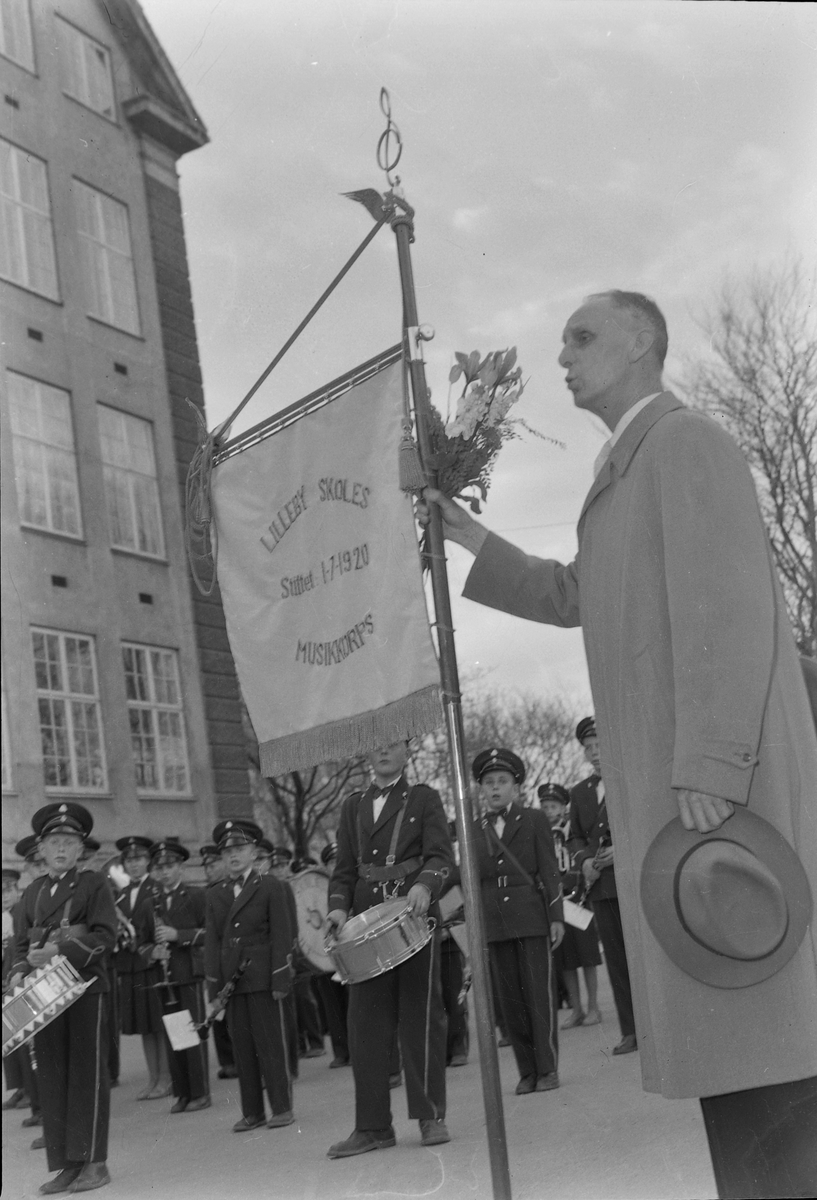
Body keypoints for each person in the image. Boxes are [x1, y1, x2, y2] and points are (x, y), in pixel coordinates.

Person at [419, 288, 817, 1199]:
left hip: (718, 793)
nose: (560, 354)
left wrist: (710, 763)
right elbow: (575, 594)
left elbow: (728, 605)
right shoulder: (626, 466)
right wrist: (468, 533)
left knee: (764, 1041)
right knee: (736, 1051)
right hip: (686, 797)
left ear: (642, 341)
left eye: (581, 336)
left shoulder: (682, 444)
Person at [325, 740, 453, 1158]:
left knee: (421, 1016)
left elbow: (440, 855)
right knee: (365, 1027)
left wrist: (424, 884)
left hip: (412, 914)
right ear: (365, 753)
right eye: (375, 745)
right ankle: (373, 1126)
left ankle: (430, 1115)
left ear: (407, 751)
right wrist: (337, 910)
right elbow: (344, 868)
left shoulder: (423, 797)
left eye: (392, 744)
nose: (382, 752)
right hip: (365, 922)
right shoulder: (352, 806)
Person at [10, 802, 116, 1194]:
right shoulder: (33, 892)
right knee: (53, 1076)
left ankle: (96, 1163)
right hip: (44, 993)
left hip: (85, 989)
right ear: (41, 848)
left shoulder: (93, 884)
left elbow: (106, 937)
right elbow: (21, 946)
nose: (60, 849)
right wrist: (20, 970)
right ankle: (67, 1163)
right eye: (53, 841)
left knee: (86, 1076)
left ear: (80, 850)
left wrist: (58, 951)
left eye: (68, 842)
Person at [472, 749, 564, 1095]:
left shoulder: (534, 819)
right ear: (481, 789)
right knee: (509, 999)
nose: (495, 789)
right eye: (489, 783)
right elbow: (472, 877)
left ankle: (548, 1068)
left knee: (538, 995)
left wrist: (556, 916)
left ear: (516, 787)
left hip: (530, 916)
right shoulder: (473, 828)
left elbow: (549, 870)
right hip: (495, 920)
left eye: (502, 782)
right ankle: (527, 1071)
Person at [204, 819, 296, 1132]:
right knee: (243, 1048)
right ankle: (252, 1112)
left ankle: (282, 1107)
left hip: (262, 976)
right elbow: (212, 943)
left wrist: (281, 977)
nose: (233, 855)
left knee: (270, 1044)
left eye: (240, 848)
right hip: (232, 981)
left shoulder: (270, 886)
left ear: (253, 851)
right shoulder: (215, 894)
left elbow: (282, 934)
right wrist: (214, 988)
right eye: (227, 850)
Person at [568, 722, 634, 1048]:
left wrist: (624, 849)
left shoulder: (629, 779)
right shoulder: (579, 792)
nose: (594, 752)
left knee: (642, 957)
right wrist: (582, 861)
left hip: (633, 881)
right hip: (602, 886)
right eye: (588, 747)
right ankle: (631, 1030)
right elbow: (575, 836)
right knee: (618, 962)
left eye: (599, 744)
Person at [143, 838, 210, 1113]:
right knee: (175, 1037)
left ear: (181, 867)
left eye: (170, 866)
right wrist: (152, 953)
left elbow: (210, 934)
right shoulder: (150, 903)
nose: (164, 872)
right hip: (165, 976)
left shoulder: (196, 896)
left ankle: (200, 1092)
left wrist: (177, 936)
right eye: (159, 868)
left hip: (189, 974)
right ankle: (182, 1093)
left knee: (192, 1035)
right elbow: (142, 942)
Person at [538, 780, 602, 1030]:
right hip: (555, 903)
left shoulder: (568, 832)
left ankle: (594, 1006)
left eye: (553, 806)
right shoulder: (540, 832)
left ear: (564, 808)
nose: (548, 811)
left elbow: (577, 858)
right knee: (565, 959)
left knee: (586, 956)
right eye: (544, 806)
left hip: (577, 898)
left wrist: (570, 882)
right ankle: (576, 1009)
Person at [112, 836, 171, 1100]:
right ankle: (153, 1078)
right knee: (143, 1025)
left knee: (158, 1023)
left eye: (138, 859)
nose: (134, 865)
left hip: (152, 965)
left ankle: (167, 1078)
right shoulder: (120, 895)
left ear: (148, 861)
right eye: (129, 860)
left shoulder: (157, 888)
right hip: (131, 968)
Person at [199, 844, 236, 1079]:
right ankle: (227, 1061)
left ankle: (239, 1059)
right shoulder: (206, 893)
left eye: (213, 865)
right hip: (212, 959)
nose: (209, 870)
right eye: (206, 866)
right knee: (217, 1010)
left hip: (231, 956)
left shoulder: (233, 889)